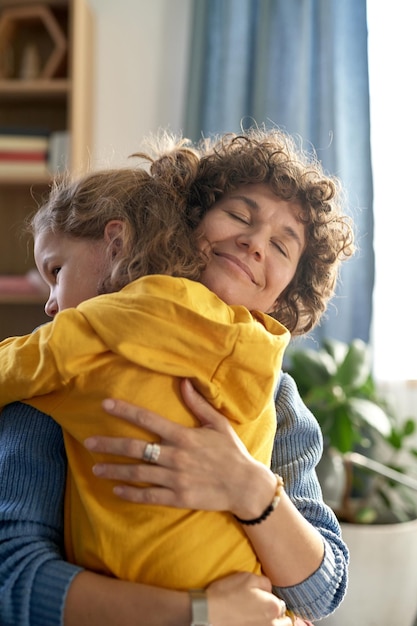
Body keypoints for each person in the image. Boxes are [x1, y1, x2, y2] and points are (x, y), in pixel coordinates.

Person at [0, 127, 353, 625]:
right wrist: (201, 614)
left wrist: (248, 488)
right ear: (189, 222)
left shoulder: (275, 393)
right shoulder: (68, 358)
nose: (254, 244)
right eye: (237, 215)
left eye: (282, 245)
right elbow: (12, 581)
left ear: (282, 296)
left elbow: (323, 591)